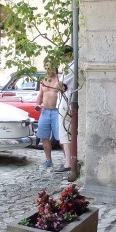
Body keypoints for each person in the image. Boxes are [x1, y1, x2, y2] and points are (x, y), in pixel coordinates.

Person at [35, 58, 62, 169]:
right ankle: (48, 160)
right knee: (44, 137)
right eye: (45, 68)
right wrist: (37, 104)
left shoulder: (59, 79)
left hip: (56, 112)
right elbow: (41, 94)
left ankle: (68, 162)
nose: (47, 70)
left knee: (61, 138)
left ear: (54, 68)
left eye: (49, 68)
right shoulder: (44, 80)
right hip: (45, 111)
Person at [56, 45, 76, 174]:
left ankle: (68, 162)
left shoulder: (71, 67)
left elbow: (60, 85)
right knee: (68, 133)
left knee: (64, 134)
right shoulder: (73, 66)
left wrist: (60, 85)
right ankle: (70, 161)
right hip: (68, 102)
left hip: (66, 104)